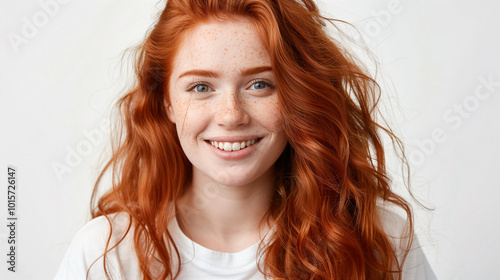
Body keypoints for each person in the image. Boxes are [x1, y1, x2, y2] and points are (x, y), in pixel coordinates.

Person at [55, 0, 436, 279]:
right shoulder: (107, 255)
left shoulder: (377, 236)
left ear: (297, 98)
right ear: (166, 102)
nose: (231, 115)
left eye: (260, 84)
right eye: (201, 87)